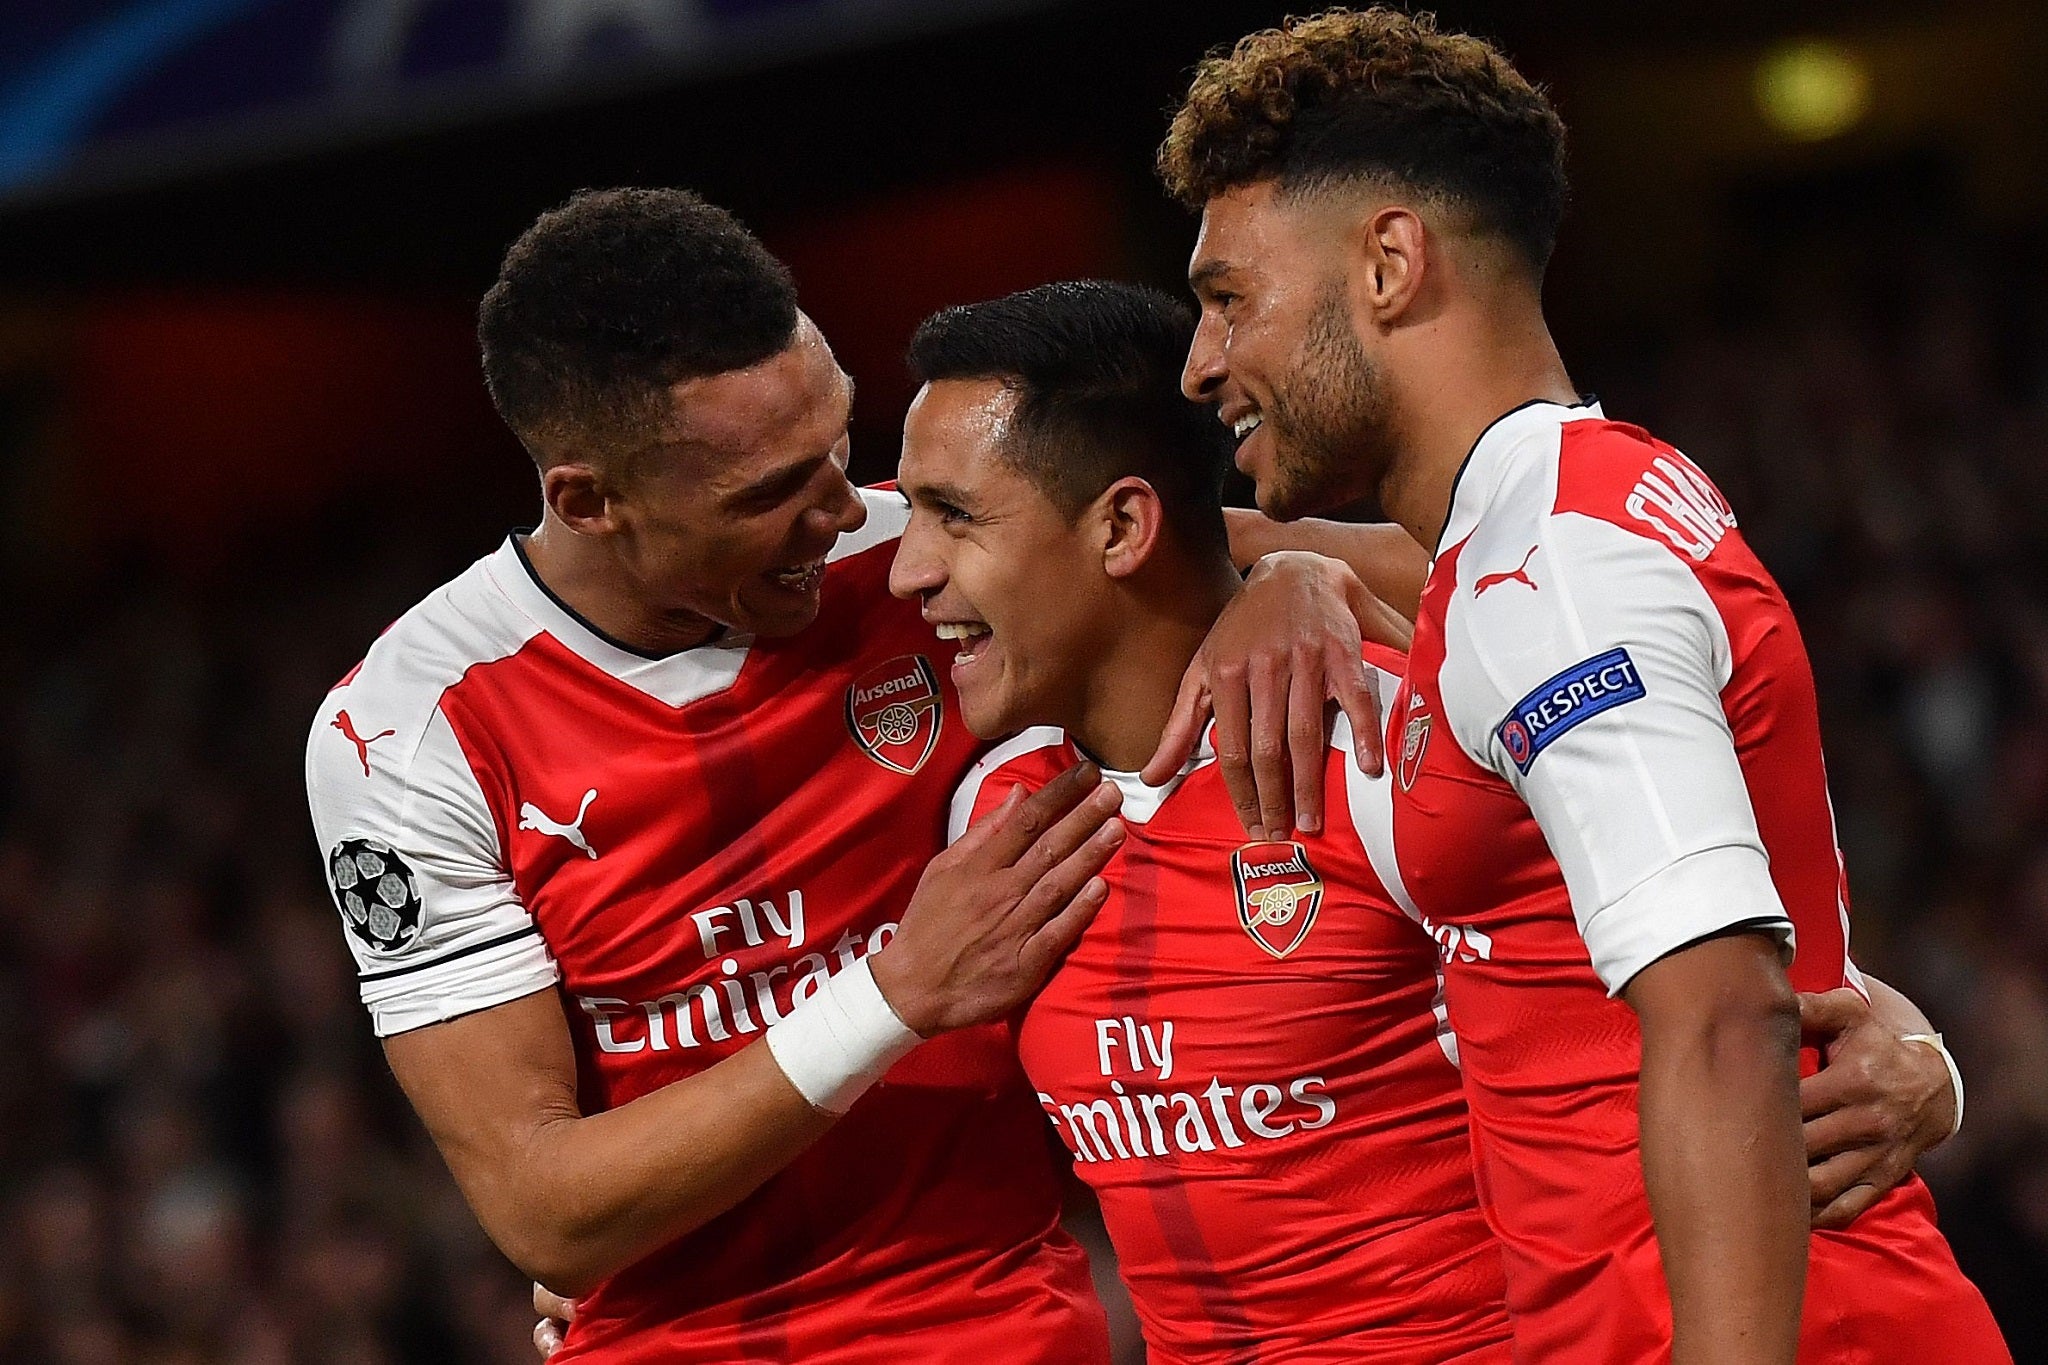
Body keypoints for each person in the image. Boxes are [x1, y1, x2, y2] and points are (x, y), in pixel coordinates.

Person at [878, 279, 1960, 1363]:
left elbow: (1710, 985)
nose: (904, 569)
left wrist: (1915, 1055)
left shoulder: (1383, 747)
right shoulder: (993, 815)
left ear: (1120, 525)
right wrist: (1289, 556)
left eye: (954, 518)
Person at [1156, 10, 2007, 1363]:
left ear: (1387, 263)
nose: (1202, 361)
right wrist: (1276, 569)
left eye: (1229, 297)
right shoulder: (1541, 526)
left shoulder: (1548, 576)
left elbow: (1723, 1019)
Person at [305, 187, 1135, 1363]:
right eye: (768, 495)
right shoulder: (404, 733)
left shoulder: (920, 556)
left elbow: (1189, 558)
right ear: (588, 502)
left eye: (838, 443)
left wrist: (1295, 589)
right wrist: (895, 996)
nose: (847, 510)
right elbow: (546, 1212)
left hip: (993, 1317)